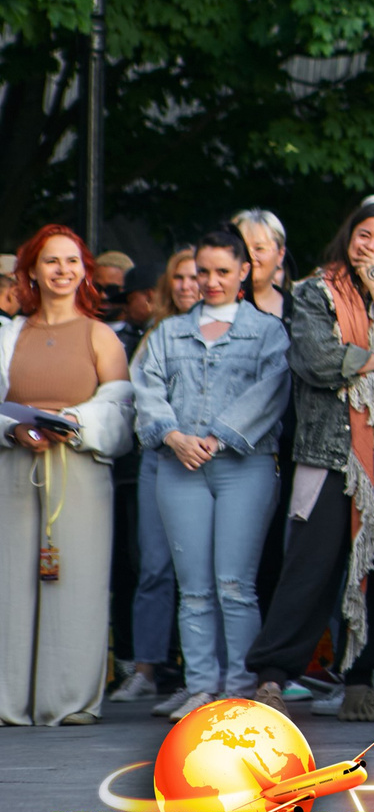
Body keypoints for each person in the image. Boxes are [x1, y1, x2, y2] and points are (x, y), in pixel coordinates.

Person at [244, 197, 374, 723]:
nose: (370, 246)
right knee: (311, 568)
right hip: (329, 453)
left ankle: (361, 684)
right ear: (348, 236)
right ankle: (272, 678)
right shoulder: (313, 291)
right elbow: (318, 361)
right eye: (363, 235)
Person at [131, 230, 290, 721]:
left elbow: (272, 391)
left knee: (235, 585)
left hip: (245, 466)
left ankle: (240, 687)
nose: (212, 280)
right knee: (194, 588)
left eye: (223, 271)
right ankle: (201, 687)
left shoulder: (268, 331)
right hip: (178, 464)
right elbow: (146, 389)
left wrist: (218, 437)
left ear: (245, 270)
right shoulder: (168, 332)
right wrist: (172, 436)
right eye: (204, 271)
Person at [0, 227, 136, 725]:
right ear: (32, 271)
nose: (62, 270)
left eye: (72, 261)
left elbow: (120, 406)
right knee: (9, 581)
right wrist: (13, 428)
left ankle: (71, 701)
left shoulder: (100, 335)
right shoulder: (9, 334)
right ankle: (8, 702)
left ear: (85, 270)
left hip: (78, 467)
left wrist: (75, 423)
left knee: (77, 580)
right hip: (14, 466)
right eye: (51, 261)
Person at [112, 244, 200, 712]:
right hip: (158, 457)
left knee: (202, 574)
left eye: (195, 276)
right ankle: (145, 670)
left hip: (207, 459)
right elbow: (142, 399)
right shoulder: (155, 332)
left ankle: (199, 676)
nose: (187, 285)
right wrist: (172, 435)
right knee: (154, 567)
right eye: (179, 277)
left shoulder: (232, 328)